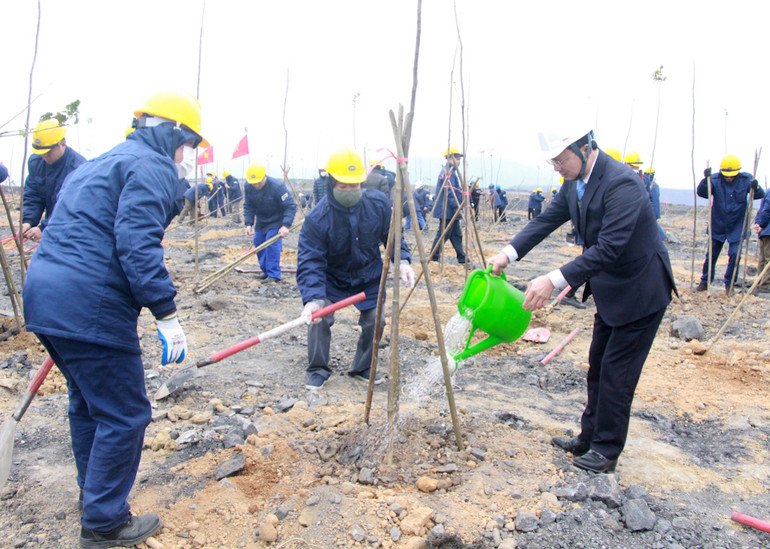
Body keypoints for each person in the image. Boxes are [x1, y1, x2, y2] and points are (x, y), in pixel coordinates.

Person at [22, 89, 208, 548]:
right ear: (172, 134)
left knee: (89, 404)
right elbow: (136, 243)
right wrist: (166, 312)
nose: (187, 157)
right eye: (188, 146)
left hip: (45, 295)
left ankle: (94, 495)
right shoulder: (151, 166)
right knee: (126, 414)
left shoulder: (102, 161)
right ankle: (104, 523)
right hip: (90, 303)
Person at [488, 125, 676, 474]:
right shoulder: (573, 183)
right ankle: (589, 437)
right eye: (553, 162)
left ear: (586, 147)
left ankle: (606, 451)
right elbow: (546, 220)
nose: (557, 168)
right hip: (610, 290)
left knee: (618, 373)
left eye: (562, 160)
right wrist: (508, 254)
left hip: (640, 290)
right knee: (598, 366)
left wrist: (553, 279)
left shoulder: (622, 183)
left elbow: (610, 247)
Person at [297, 146, 415, 390]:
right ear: (331, 183)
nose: (350, 191)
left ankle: (362, 367)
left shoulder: (378, 205)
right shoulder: (317, 219)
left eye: (355, 186)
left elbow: (392, 237)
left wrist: (402, 260)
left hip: (368, 276)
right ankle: (318, 369)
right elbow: (311, 261)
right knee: (319, 319)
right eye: (344, 186)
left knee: (376, 321)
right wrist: (313, 298)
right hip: (331, 279)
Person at [696, 154, 764, 294]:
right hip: (718, 224)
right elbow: (703, 193)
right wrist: (705, 180)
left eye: (731, 175)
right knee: (711, 256)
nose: (729, 178)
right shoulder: (714, 179)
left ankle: (729, 285)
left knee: (735, 255)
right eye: (726, 175)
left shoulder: (746, 179)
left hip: (737, 226)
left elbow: (759, 194)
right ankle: (705, 282)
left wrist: (755, 187)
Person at [21, 119, 87, 242]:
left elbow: (71, 207)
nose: (44, 155)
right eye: (40, 151)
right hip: (52, 224)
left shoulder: (78, 168)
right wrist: (28, 221)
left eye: (48, 151)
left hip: (74, 229)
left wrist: (44, 227)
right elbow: (33, 195)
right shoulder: (36, 162)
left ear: (63, 143)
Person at [243, 161, 297, 282]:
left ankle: (274, 274)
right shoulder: (248, 186)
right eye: (253, 183)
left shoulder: (277, 187)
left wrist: (285, 225)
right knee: (259, 244)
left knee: (271, 246)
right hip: (261, 221)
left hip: (276, 221)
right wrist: (248, 223)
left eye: (258, 182)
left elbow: (290, 206)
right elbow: (249, 205)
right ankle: (266, 271)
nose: (256, 185)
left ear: (265, 176)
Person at [431, 147, 466, 264]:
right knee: (443, 235)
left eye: (459, 158)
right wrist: (457, 207)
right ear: (450, 158)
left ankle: (462, 257)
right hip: (448, 210)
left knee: (456, 235)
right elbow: (450, 193)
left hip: (450, 210)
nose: (459, 160)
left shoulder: (451, 172)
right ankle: (433, 257)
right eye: (456, 158)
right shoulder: (448, 173)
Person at [753, 192, 770, 292]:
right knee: (767, 259)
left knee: (763, 258)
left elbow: (763, 210)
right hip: (767, 231)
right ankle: (765, 284)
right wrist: (761, 224)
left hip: (765, 231)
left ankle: (760, 282)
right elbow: (766, 210)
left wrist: (759, 224)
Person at [644, 168, 666, 241]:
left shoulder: (648, 184)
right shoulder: (655, 185)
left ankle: (660, 238)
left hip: (650, 210)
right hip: (654, 210)